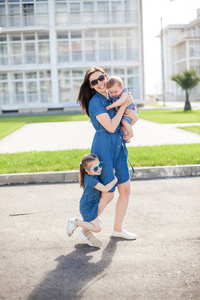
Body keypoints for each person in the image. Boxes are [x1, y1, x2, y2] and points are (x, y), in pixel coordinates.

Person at [77, 66, 138, 240]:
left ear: (106, 77)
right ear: (91, 86)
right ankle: (85, 229)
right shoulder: (95, 102)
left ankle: (117, 229)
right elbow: (110, 127)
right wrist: (123, 107)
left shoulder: (114, 95)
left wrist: (129, 118)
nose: (99, 83)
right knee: (108, 193)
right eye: (94, 82)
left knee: (125, 190)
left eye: (101, 78)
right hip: (103, 149)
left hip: (118, 148)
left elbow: (130, 116)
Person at [67, 153, 118, 248]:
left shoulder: (93, 174)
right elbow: (105, 188)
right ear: (87, 171)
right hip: (87, 207)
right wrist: (114, 180)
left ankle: (84, 233)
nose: (99, 169)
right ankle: (76, 222)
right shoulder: (90, 180)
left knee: (99, 221)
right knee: (98, 228)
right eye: (95, 168)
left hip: (91, 205)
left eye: (100, 165)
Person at [106, 76, 138, 143]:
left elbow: (122, 101)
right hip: (124, 112)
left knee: (124, 122)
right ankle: (126, 136)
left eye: (116, 91)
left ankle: (130, 134)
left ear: (122, 88)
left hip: (130, 111)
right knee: (122, 126)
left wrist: (111, 105)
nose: (114, 94)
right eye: (111, 92)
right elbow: (117, 107)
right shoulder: (114, 96)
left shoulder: (124, 92)